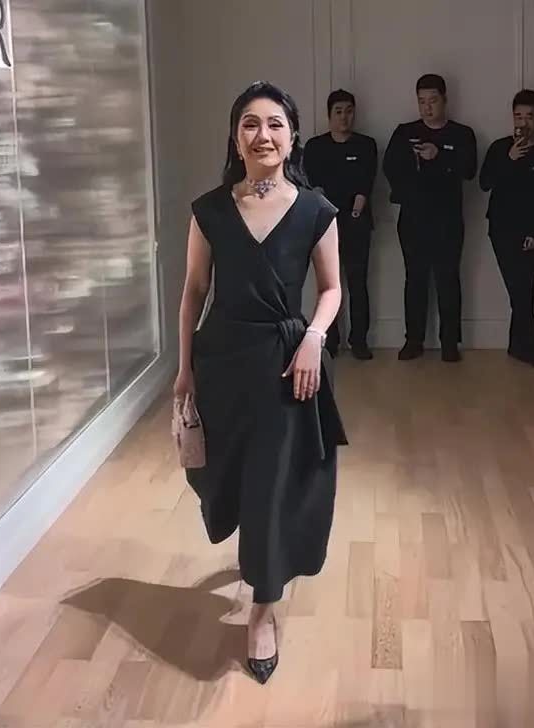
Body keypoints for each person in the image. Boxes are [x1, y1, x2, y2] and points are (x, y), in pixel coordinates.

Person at [173, 81, 348, 684]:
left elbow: (332, 289)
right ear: (235, 136)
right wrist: (184, 369)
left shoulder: (316, 210)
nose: (263, 135)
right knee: (229, 480)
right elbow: (194, 292)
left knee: (272, 489)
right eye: (251, 123)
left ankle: (262, 610)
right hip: (222, 364)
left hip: (285, 367)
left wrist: (313, 338)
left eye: (275, 124)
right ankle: (256, 562)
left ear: (292, 137)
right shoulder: (210, 210)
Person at [383, 74, 477, 362]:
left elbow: (469, 170)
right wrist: (413, 164)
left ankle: (450, 343)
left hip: (448, 219)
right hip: (413, 218)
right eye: (422, 101)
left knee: (448, 279)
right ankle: (413, 340)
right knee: (415, 278)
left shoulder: (461, 134)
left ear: (445, 100)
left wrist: (439, 157)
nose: (427, 107)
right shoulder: (404, 132)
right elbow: (389, 168)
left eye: (433, 100)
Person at [479, 89, 534, 367]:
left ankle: (519, 345)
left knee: (525, 288)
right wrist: (509, 160)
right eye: (518, 116)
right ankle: (530, 345)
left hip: (531, 231)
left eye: (529, 116)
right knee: (519, 288)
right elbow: (485, 183)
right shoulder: (499, 148)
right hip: (501, 228)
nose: (523, 122)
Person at [303, 89, 378, 360]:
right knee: (328, 284)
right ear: (329, 115)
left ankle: (359, 340)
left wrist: (359, 202)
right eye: (338, 111)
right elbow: (312, 184)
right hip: (325, 223)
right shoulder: (315, 147)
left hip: (356, 222)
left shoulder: (366, 145)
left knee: (358, 282)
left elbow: (366, 182)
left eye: (349, 111)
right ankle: (329, 340)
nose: (344, 117)